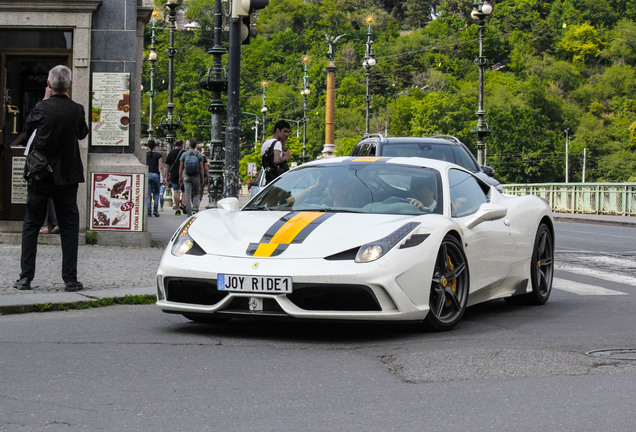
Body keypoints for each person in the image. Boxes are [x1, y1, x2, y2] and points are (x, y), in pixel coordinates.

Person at [14, 65, 89, 291]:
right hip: (67, 176)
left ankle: (25, 278)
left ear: (48, 85)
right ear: (70, 85)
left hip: (40, 175)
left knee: (31, 224)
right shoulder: (77, 110)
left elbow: (28, 126)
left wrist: (44, 100)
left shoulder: (41, 108)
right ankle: (70, 279)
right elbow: (82, 133)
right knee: (69, 226)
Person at [179, 139, 205, 216]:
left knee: (187, 194)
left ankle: (189, 212)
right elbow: (201, 168)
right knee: (197, 193)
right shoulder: (199, 154)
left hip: (187, 176)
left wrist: (180, 177)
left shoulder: (184, 154)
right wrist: (202, 178)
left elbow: (181, 167)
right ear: (195, 145)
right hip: (196, 176)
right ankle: (195, 209)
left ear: (189, 145)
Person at [261, 120, 291, 184]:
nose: (287, 134)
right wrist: (286, 156)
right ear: (278, 130)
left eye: (288, 132)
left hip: (269, 179)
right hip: (277, 180)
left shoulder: (266, 143)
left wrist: (283, 143)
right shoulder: (277, 143)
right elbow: (277, 160)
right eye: (285, 131)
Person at [163, 139, 185, 215]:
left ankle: (178, 209)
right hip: (183, 174)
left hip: (173, 174)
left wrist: (166, 176)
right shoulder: (184, 153)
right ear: (182, 145)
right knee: (184, 191)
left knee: (176, 191)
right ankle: (183, 203)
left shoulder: (171, 153)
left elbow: (167, 166)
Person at [146, 140, 164, 217]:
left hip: (148, 174)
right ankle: (155, 210)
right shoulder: (158, 155)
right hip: (156, 175)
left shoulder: (145, 155)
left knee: (149, 193)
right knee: (156, 192)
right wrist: (164, 177)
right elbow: (160, 168)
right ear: (155, 146)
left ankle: (149, 211)